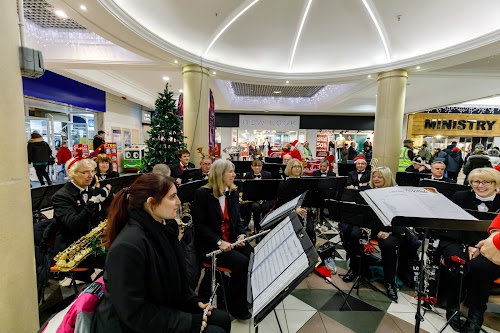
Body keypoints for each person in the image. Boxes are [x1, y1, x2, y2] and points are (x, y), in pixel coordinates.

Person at [93, 173, 231, 333]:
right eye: (172, 197)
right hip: (132, 326)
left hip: (161, 309)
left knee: (222, 319)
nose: (179, 202)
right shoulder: (127, 247)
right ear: (151, 203)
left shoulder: (164, 228)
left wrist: (191, 301)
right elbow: (133, 313)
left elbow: (175, 281)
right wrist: (187, 322)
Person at [434, 167, 500, 332]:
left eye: (487, 182)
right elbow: (453, 226)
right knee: (456, 259)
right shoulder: (460, 197)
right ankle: (453, 305)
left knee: (479, 267)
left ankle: (476, 314)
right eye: (476, 181)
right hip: (459, 240)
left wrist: (481, 246)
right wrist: (468, 245)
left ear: (496, 184)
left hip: (490, 246)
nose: (481, 185)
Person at [342, 167, 418, 302]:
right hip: (371, 228)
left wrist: (390, 232)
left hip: (390, 230)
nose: (376, 179)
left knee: (389, 245)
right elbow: (359, 212)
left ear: (387, 179)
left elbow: (402, 218)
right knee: (355, 234)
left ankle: (390, 282)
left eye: (380, 177)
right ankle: (355, 269)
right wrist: (362, 224)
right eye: (374, 176)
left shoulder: (396, 194)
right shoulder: (366, 192)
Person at [192, 159, 253, 320]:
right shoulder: (202, 194)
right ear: (220, 174)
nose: (234, 174)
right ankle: (235, 306)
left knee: (251, 252)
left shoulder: (232, 192)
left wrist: (241, 235)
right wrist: (219, 242)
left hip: (230, 240)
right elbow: (200, 226)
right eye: (230, 171)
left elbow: (237, 219)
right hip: (210, 245)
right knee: (241, 262)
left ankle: (242, 295)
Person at [52, 156, 111, 280]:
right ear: (72, 174)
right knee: (114, 259)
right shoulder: (61, 196)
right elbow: (75, 224)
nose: (90, 175)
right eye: (85, 172)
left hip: (91, 243)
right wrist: (93, 201)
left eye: (92, 171)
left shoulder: (91, 190)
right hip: (71, 249)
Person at [276, 158, 314, 245]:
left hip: (303, 209)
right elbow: (282, 202)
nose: (297, 168)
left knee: (310, 229)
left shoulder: (305, 182)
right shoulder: (284, 184)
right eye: (295, 166)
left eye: (299, 166)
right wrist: (295, 209)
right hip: (288, 211)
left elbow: (308, 199)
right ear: (290, 168)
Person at [242, 159, 274, 233]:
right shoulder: (248, 175)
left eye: (259, 166)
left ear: (262, 166)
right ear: (251, 167)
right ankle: (257, 229)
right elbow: (244, 188)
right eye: (255, 166)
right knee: (255, 207)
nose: (257, 167)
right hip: (253, 200)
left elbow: (271, 188)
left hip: (265, 199)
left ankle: (265, 229)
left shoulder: (268, 175)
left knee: (264, 207)